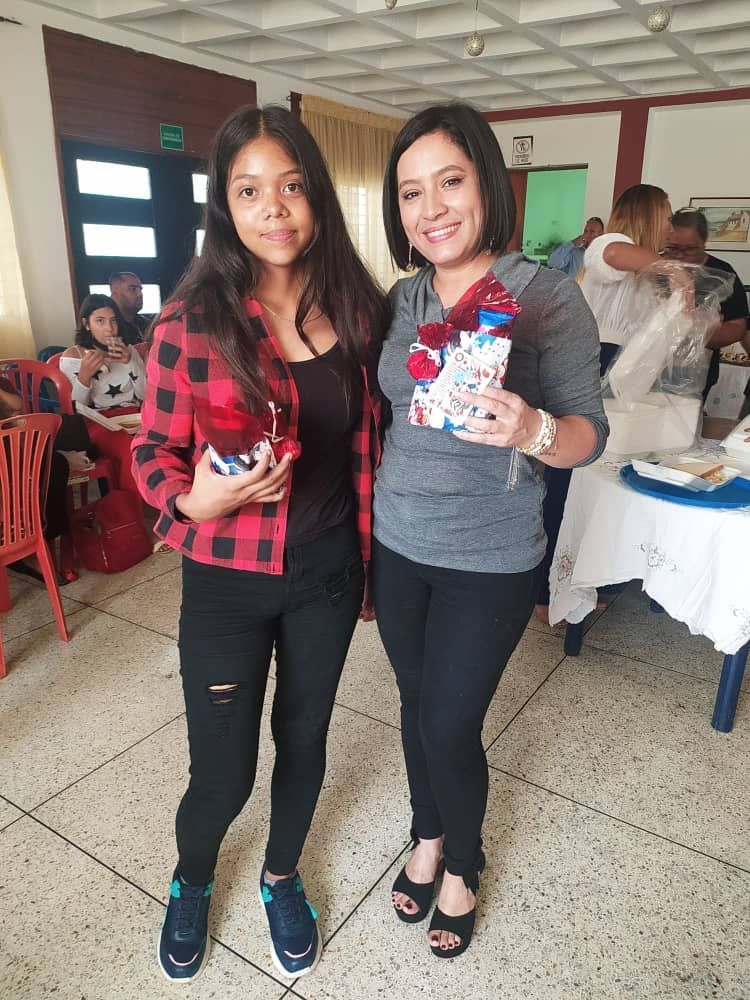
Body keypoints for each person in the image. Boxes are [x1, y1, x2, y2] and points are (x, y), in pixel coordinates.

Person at [131, 104, 387, 983]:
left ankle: (281, 875)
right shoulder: (191, 323)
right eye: (250, 191)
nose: (273, 208)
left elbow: (368, 446)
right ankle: (192, 880)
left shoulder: (355, 313)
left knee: (306, 742)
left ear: (315, 195)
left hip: (325, 573)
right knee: (224, 771)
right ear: (226, 207)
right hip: (228, 585)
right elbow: (149, 451)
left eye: (290, 186)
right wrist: (192, 502)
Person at [375, 102, 608, 959]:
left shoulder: (545, 297)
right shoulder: (402, 299)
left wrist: (530, 430)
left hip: (490, 557)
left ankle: (463, 863)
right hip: (397, 543)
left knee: (448, 720)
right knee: (414, 706)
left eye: (450, 182)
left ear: (487, 185)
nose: (430, 207)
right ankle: (426, 836)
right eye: (409, 192)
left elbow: (589, 432)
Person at [535, 185, 674, 622]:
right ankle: (542, 591)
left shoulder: (650, 272)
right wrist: (676, 270)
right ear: (649, 216)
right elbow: (614, 255)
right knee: (567, 485)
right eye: (667, 217)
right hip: (592, 373)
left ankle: (587, 575)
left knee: (604, 488)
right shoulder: (607, 248)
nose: (670, 226)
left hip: (625, 385)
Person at [58, 294, 146, 501]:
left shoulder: (129, 350)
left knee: (163, 437)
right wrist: (84, 377)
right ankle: (129, 508)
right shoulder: (74, 356)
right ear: (86, 324)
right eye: (100, 321)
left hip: (134, 415)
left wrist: (130, 363)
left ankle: (167, 500)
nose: (109, 328)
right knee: (126, 447)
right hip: (97, 420)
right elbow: (75, 409)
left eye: (114, 320)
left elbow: (146, 395)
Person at [665, 208, 749, 400]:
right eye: (673, 248)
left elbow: (738, 325)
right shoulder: (656, 267)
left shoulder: (723, 274)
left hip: (698, 370)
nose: (681, 256)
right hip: (652, 365)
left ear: (704, 243)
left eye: (690, 249)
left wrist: (702, 332)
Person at [109, 271, 150, 344]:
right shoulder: (108, 326)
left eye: (140, 289)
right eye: (133, 289)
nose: (140, 294)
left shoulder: (147, 324)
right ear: (115, 294)